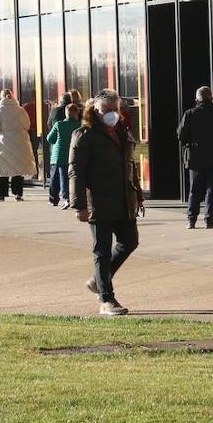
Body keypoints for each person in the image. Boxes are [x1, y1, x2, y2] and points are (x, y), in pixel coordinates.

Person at [70, 89, 144, 316]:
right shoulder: (85, 135)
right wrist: (79, 205)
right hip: (99, 202)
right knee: (101, 251)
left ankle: (98, 281)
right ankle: (106, 299)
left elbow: (130, 167)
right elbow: (76, 171)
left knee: (129, 241)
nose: (112, 114)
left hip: (124, 200)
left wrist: (138, 196)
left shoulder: (123, 132)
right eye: (107, 110)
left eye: (115, 109)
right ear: (95, 110)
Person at [176, 86, 213, 229]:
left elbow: (181, 135)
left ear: (197, 100)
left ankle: (191, 220)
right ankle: (209, 219)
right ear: (211, 98)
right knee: (211, 189)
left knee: (194, 190)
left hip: (195, 157)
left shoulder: (190, 114)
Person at [0, 89, 37, 202]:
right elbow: (27, 125)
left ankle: (1, 194)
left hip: (3, 141)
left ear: (1, 97)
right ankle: (18, 193)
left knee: (2, 168)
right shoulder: (20, 109)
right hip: (20, 140)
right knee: (17, 168)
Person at [46, 102, 83, 208]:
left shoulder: (59, 124)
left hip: (58, 156)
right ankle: (70, 197)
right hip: (73, 156)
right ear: (77, 113)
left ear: (66, 113)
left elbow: (50, 139)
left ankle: (55, 199)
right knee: (69, 178)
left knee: (55, 179)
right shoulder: (79, 126)